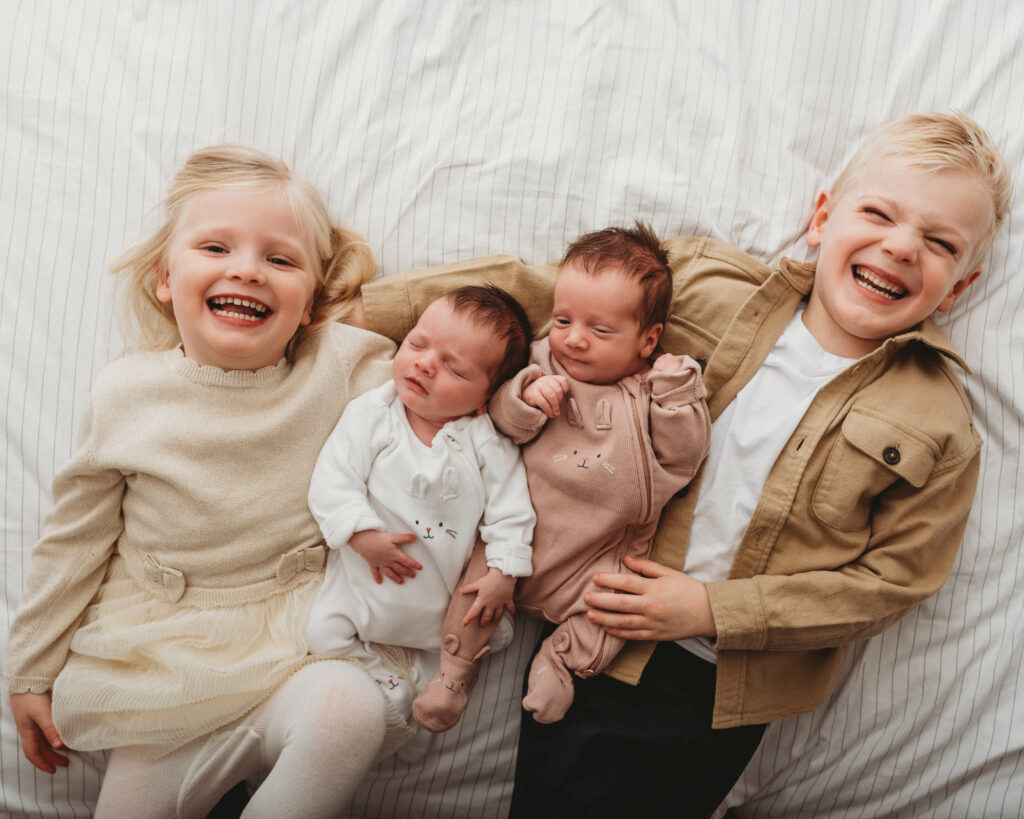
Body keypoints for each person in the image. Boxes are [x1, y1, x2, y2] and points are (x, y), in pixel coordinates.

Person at [356, 111, 1012, 817]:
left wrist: (710, 608)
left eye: (939, 242)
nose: (902, 246)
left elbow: (891, 583)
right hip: (599, 621)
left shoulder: (940, 422)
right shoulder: (707, 284)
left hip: (724, 682)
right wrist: (367, 311)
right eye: (879, 213)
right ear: (822, 218)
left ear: (960, 287)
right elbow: (544, 291)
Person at [4, 144, 413, 817]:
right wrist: (28, 670)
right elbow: (73, 542)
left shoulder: (340, 364)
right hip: (161, 672)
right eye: (216, 248)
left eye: (281, 260)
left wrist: (378, 305)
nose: (247, 270)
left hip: (298, 646)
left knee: (350, 711)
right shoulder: (127, 394)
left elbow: (481, 331)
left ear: (312, 300)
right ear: (165, 278)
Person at [411, 223, 711, 733]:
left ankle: (560, 661)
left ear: (648, 339)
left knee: (616, 612)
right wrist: (525, 397)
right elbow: (498, 422)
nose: (573, 338)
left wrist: (678, 396)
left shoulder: (655, 389)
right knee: (471, 595)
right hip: (511, 537)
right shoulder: (539, 362)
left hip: (598, 554)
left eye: (600, 330)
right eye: (564, 318)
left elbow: (683, 461)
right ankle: (455, 675)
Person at [304, 285, 536, 720]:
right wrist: (361, 534)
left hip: (441, 599)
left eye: (454, 368)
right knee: (321, 632)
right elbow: (333, 479)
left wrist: (504, 570)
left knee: (480, 636)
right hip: (363, 585)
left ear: (487, 396)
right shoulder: (372, 413)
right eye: (417, 343)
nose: (425, 364)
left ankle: (437, 689)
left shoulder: (487, 443)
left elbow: (513, 512)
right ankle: (382, 678)